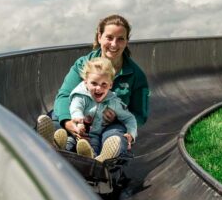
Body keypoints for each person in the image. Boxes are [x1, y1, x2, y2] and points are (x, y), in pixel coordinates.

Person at [37, 14, 149, 167]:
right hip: (80, 116)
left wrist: (117, 116)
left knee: (116, 136)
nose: (114, 44)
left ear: (127, 41)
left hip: (109, 124)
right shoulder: (83, 64)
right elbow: (64, 96)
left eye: (120, 39)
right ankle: (54, 143)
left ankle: (102, 158)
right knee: (56, 116)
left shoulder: (136, 75)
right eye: (109, 37)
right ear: (100, 37)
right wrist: (69, 122)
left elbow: (140, 114)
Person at [54, 57, 138, 161]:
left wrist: (131, 133)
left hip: (94, 136)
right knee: (70, 141)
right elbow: (76, 108)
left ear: (110, 85)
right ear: (86, 82)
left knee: (94, 146)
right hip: (76, 131)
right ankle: (59, 149)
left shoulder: (113, 102)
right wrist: (79, 121)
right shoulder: (81, 95)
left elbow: (129, 118)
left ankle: (96, 159)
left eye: (104, 84)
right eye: (94, 83)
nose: (98, 88)